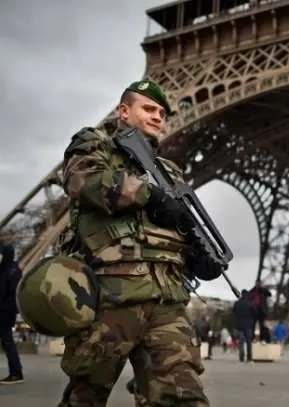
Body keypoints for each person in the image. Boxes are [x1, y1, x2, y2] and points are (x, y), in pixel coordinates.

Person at [56, 80, 217, 406]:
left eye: (162, 112)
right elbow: (82, 182)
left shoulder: (170, 170)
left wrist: (198, 252)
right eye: (149, 108)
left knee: (183, 399)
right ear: (124, 111)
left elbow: (177, 224)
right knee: (84, 398)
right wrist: (148, 193)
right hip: (110, 297)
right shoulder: (95, 146)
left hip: (167, 300)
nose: (158, 116)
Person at [0, 243, 23, 384]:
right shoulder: (4, 269)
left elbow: (15, 295)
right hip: (3, 312)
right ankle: (16, 372)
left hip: (4, 313)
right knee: (7, 343)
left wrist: (6, 309)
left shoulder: (12, 271)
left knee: (8, 343)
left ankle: (16, 373)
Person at [232, 290, 256, 363]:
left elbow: (234, 312)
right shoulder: (251, 304)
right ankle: (249, 358)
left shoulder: (237, 303)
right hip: (248, 324)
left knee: (241, 342)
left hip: (239, 325)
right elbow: (254, 313)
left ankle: (241, 357)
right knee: (249, 342)